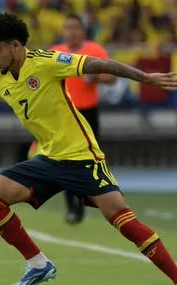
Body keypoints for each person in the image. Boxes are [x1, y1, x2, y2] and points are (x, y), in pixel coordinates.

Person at [0, 12, 177, 285]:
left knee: (123, 221)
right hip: (48, 159)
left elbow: (102, 64)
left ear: (15, 46)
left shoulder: (47, 62)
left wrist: (145, 79)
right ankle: (38, 264)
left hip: (82, 158)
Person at [51, 13, 116, 225]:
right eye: (68, 28)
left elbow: (112, 77)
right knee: (63, 160)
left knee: (90, 160)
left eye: (76, 28)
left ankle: (91, 199)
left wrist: (95, 76)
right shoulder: (55, 52)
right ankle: (72, 206)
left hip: (88, 113)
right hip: (64, 114)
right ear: (63, 31)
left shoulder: (94, 50)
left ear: (83, 30)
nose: (72, 32)